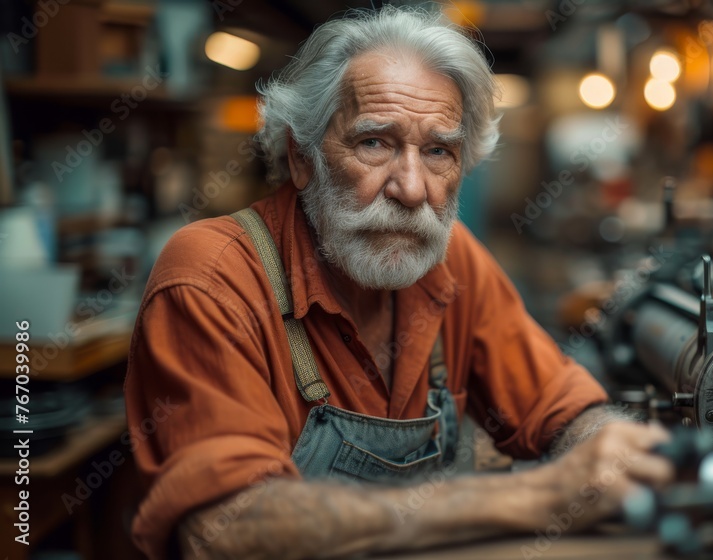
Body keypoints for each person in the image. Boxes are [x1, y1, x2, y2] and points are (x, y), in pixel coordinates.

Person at [125, 7, 673, 559]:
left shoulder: (453, 262)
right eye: (375, 144)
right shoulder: (212, 278)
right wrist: (541, 495)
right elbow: (226, 529)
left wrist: (609, 447)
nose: (412, 189)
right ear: (301, 157)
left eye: (438, 151)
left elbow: (561, 408)